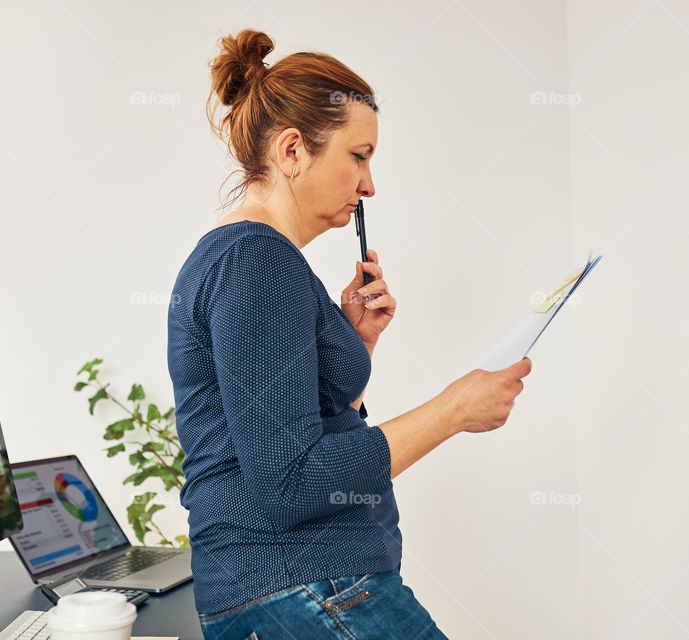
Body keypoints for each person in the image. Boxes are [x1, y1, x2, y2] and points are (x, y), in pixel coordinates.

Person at [167, 28, 533, 640]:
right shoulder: (257, 262)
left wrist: (355, 346)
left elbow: (278, 430)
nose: (369, 186)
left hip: (303, 589)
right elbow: (292, 483)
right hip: (304, 585)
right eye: (358, 157)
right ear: (292, 151)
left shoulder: (257, 261)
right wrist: (454, 409)